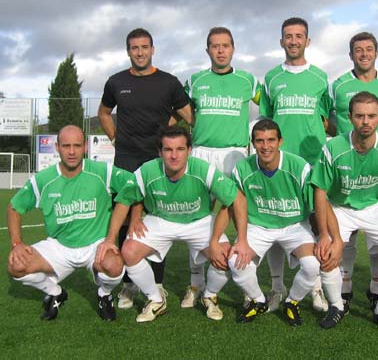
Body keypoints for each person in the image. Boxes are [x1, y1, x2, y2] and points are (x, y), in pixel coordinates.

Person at [97, 28, 193, 309]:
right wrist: (115, 137)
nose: (139, 52)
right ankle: (129, 285)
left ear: (153, 49)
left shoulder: (168, 82)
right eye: (134, 48)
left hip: (156, 162)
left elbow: (188, 114)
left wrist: (165, 131)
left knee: (153, 225)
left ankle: (157, 283)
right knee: (127, 223)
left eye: (144, 47)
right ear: (128, 51)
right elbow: (104, 112)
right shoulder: (116, 82)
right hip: (126, 160)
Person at [117, 126, 251, 323]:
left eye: (180, 149)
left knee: (225, 258)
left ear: (189, 150)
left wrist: (241, 240)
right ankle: (156, 299)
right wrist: (116, 235)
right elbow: (126, 198)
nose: (173, 155)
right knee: (128, 251)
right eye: (168, 150)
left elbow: (237, 199)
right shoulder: (148, 169)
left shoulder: (202, 169)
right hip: (160, 220)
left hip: (199, 222)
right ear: (159, 151)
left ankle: (209, 295)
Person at [7, 125, 136, 321]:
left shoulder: (102, 172)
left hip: (96, 244)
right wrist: (17, 243)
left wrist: (119, 232)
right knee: (16, 266)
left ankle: (104, 295)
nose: (72, 151)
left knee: (115, 266)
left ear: (85, 147)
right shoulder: (43, 180)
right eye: (66, 146)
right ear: (57, 147)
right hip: (59, 246)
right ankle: (55, 292)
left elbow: (132, 185)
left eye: (77, 145)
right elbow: (14, 207)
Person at [311, 91, 378, 330]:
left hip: (374, 207)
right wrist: (325, 235)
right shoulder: (333, 147)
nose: (365, 121)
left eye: (371, 116)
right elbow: (320, 192)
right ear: (350, 117)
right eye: (359, 116)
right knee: (327, 255)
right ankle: (337, 306)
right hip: (340, 208)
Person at [181, 27, 261, 309]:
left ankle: (244, 277)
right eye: (215, 46)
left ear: (233, 49)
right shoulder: (194, 80)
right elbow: (180, 107)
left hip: (234, 154)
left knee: (239, 213)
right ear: (207, 51)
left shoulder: (249, 82)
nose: (220, 50)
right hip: (201, 151)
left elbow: (268, 108)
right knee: (198, 215)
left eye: (225, 45)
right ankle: (195, 283)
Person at [258, 17, 331, 312]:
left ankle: (315, 287)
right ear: (281, 41)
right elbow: (266, 121)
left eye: (299, 36)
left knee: (314, 224)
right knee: (277, 218)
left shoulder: (320, 78)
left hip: (311, 162)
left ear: (307, 41)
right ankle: (277, 287)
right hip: (279, 162)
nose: (293, 41)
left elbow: (325, 120)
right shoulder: (271, 78)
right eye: (288, 36)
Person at [330, 31, 378, 311]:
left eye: (369, 49)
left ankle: (376, 288)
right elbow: (328, 120)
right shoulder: (336, 86)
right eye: (358, 50)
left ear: (377, 52)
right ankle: (345, 286)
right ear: (351, 55)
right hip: (348, 164)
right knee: (345, 235)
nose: (364, 54)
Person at [228, 120, 321, 326]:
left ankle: (293, 302)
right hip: (259, 227)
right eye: (259, 141)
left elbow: (316, 205)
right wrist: (241, 238)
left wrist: (323, 237)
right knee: (235, 262)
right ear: (252, 143)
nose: (266, 146)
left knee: (312, 264)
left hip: (294, 226)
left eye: (271, 140)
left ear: (280, 141)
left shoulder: (299, 166)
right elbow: (235, 206)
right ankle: (258, 300)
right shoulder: (242, 168)